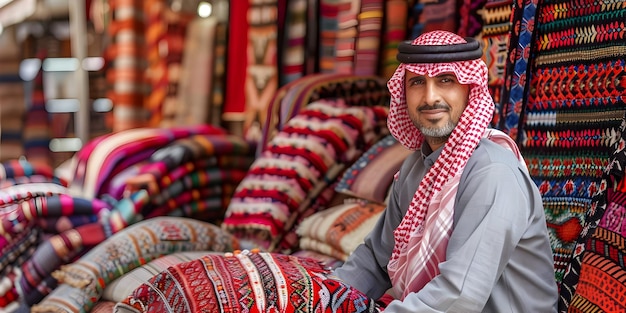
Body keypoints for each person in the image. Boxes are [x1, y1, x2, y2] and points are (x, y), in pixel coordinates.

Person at [333, 30, 558, 312]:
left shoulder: (492, 174)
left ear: (469, 89)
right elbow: (376, 260)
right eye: (417, 82)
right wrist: (326, 298)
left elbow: (459, 297)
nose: (430, 97)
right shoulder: (414, 168)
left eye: (446, 81)